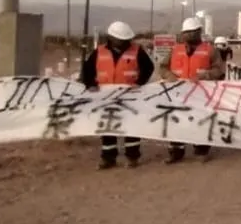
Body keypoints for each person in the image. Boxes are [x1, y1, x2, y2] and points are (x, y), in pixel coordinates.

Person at [79, 21, 153, 169]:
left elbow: (148, 68)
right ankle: (108, 158)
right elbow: (87, 70)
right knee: (108, 128)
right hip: (106, 97)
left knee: (131, 127)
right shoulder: (99, 52)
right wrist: (90, 85)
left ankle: (132, 157)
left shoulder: (137, 51)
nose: (124, 42)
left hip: (130, 96)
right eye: (121, 39)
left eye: (126, 39)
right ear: (111, 38)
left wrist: (139, 83)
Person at [159, 17, 225, 163]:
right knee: (176, 122)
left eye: (193, 32)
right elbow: (162, 67)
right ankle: (176, 152)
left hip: (201, 94)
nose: (189, 35)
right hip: (178, 94)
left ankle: (201, 150)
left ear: (199, 32)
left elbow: (219, 69)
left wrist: (205, 75)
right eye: (186, 33)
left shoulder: (210, 50)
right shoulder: (175, 50)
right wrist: (168, 74)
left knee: (200, 121)